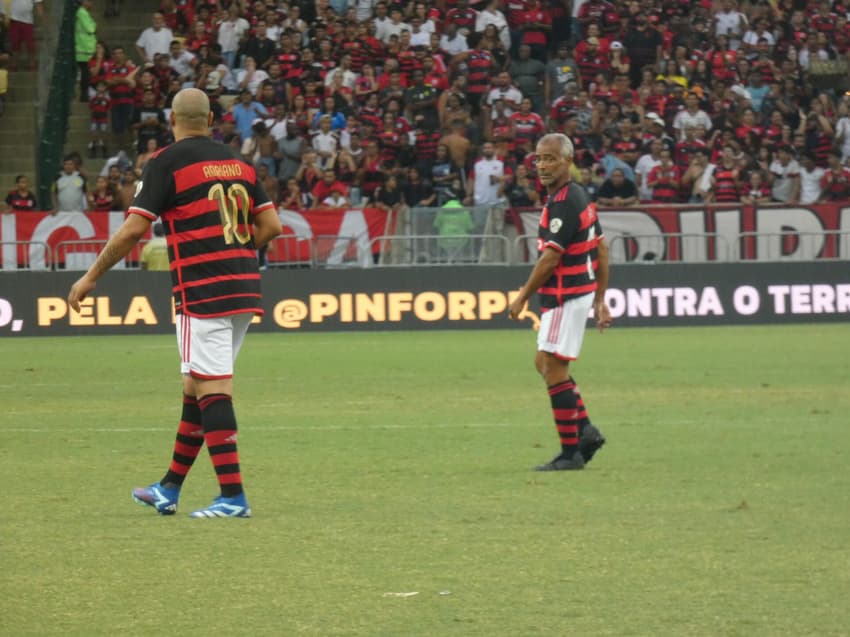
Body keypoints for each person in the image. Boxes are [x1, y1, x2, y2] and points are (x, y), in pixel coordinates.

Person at [67, 88, 283, 518]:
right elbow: (271, 225)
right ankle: (169, 488)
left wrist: (91, 276)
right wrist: (236, 253)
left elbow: (132, 231)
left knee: (214, 390)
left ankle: (233, 497)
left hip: (203, 291)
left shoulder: (166, 162)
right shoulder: (238, 163)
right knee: (196, 387)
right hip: (243, 288)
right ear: (211, 119)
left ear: (172, 119)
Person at [508, 133, 610, 471]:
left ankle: (571, 454)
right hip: (573, 295)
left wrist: (522, 296)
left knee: (553, 368)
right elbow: (602, 248)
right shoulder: (574, 196)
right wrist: (600, 299)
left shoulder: (565, 201)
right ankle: (585, 430)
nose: (542, 165)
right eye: (538, 158)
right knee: (544, 362)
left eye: (550, 158)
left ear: (568, 162)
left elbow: (550, 259)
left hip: (566, 295)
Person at [75, 0, 96, 103]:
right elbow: (90, 28)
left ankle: (84, 95)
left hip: (83, 48)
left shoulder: (82, 12)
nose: (92, 3)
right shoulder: (82, 12)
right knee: (85, 74)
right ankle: (84, 95)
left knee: (85, 73)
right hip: (82, 48)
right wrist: (95, 25)